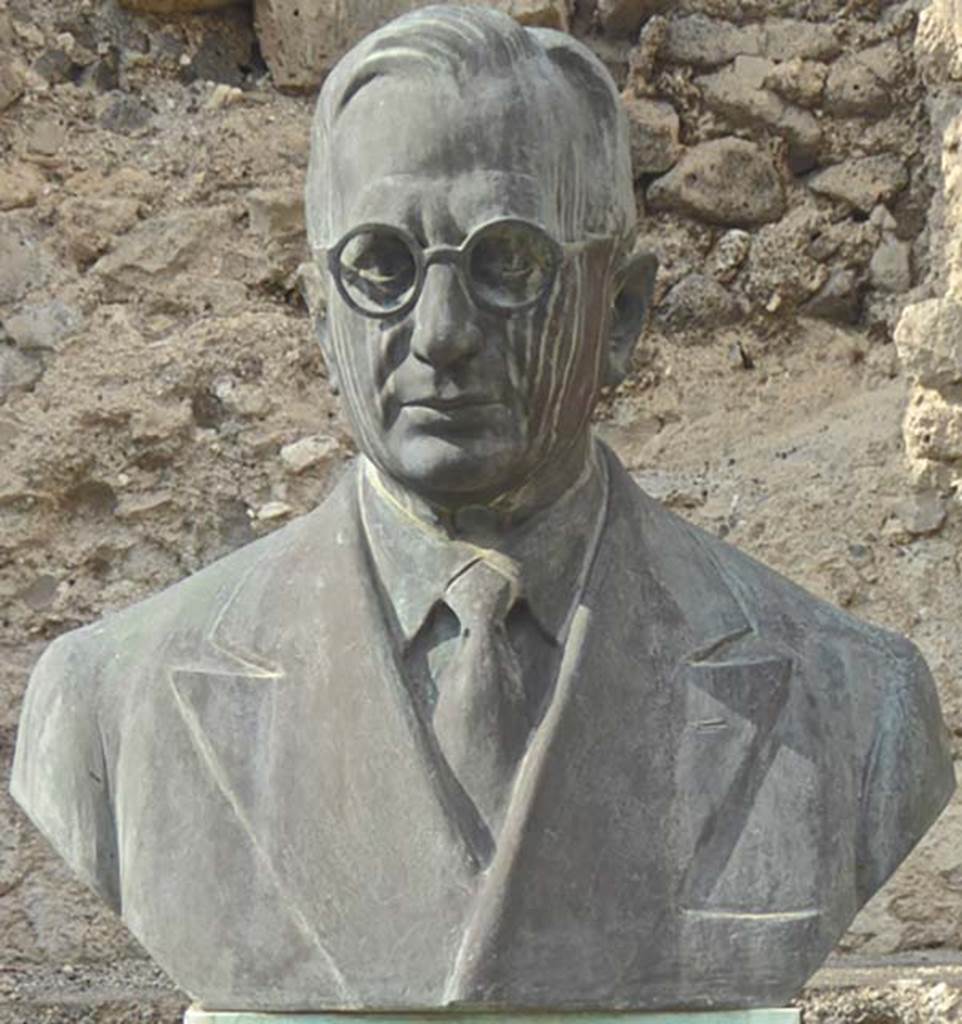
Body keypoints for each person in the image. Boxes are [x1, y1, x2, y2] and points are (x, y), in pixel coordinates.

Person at [11, 5, 954, 1014]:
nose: (441, 332)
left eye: (509, 263)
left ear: (622, 314)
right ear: (320, 316)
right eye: (380, 266)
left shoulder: (856, 707)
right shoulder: (105, 709)